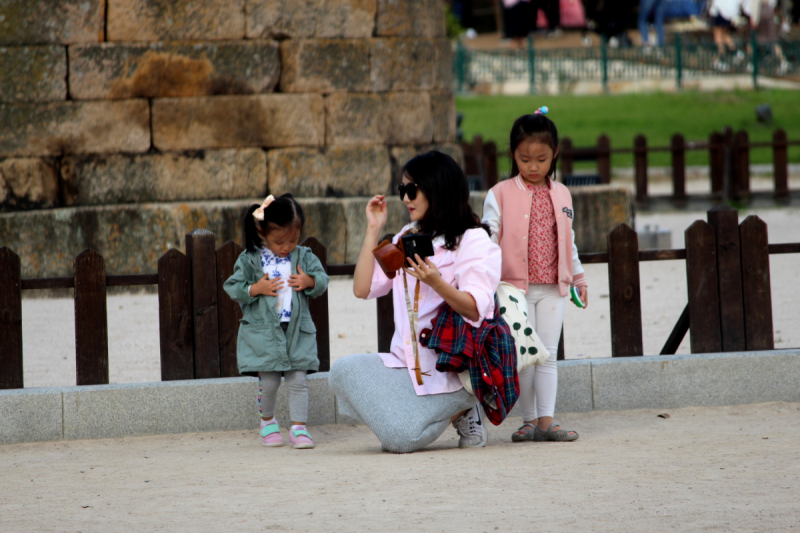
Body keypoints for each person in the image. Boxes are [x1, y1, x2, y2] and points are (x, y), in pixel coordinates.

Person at [329, 151, 502, 454]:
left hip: (450, 369)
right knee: (341, 371)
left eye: (412, 190)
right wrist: (373, 229)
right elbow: (362, 288)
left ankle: (463, 406)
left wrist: (436, 282)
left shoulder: (472, 240)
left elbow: (475, 308)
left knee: (398, 440)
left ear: (437, 190)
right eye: (402, 191)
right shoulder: (407, 236)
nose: (405, 198)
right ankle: (441, 412)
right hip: (405, 365)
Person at [482, 108, 587, 443]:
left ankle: (546, 421)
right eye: (525, 158)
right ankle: (528, 421)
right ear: (513, 154)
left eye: (541, 159)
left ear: (555, 154)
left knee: (548, 353)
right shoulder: (499, 194)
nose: (532, 166)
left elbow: (568, 242)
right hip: (513, 290)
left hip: (553, 289)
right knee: (524, 354)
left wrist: (579, 279)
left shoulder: (562, 194)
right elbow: (487, 239)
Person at [223, 194, 330, 449]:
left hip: (296, 331)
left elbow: (323, 280)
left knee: (298, 380)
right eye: (279, 241)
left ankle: (299, 428)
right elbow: (233, 287)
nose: (286, 247)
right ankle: (267, 422)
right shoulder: (250, 258)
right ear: (262, 232)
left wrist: (310, 282)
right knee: (269, 381)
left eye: (293, 239)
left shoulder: (303, 256)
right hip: (265, 332)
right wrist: (255, 288)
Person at [708, 0, 744, 70]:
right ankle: (736, 53)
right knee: (724, 34)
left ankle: (721, 59)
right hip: (729, 12)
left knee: (718, 35)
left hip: (720, 10)